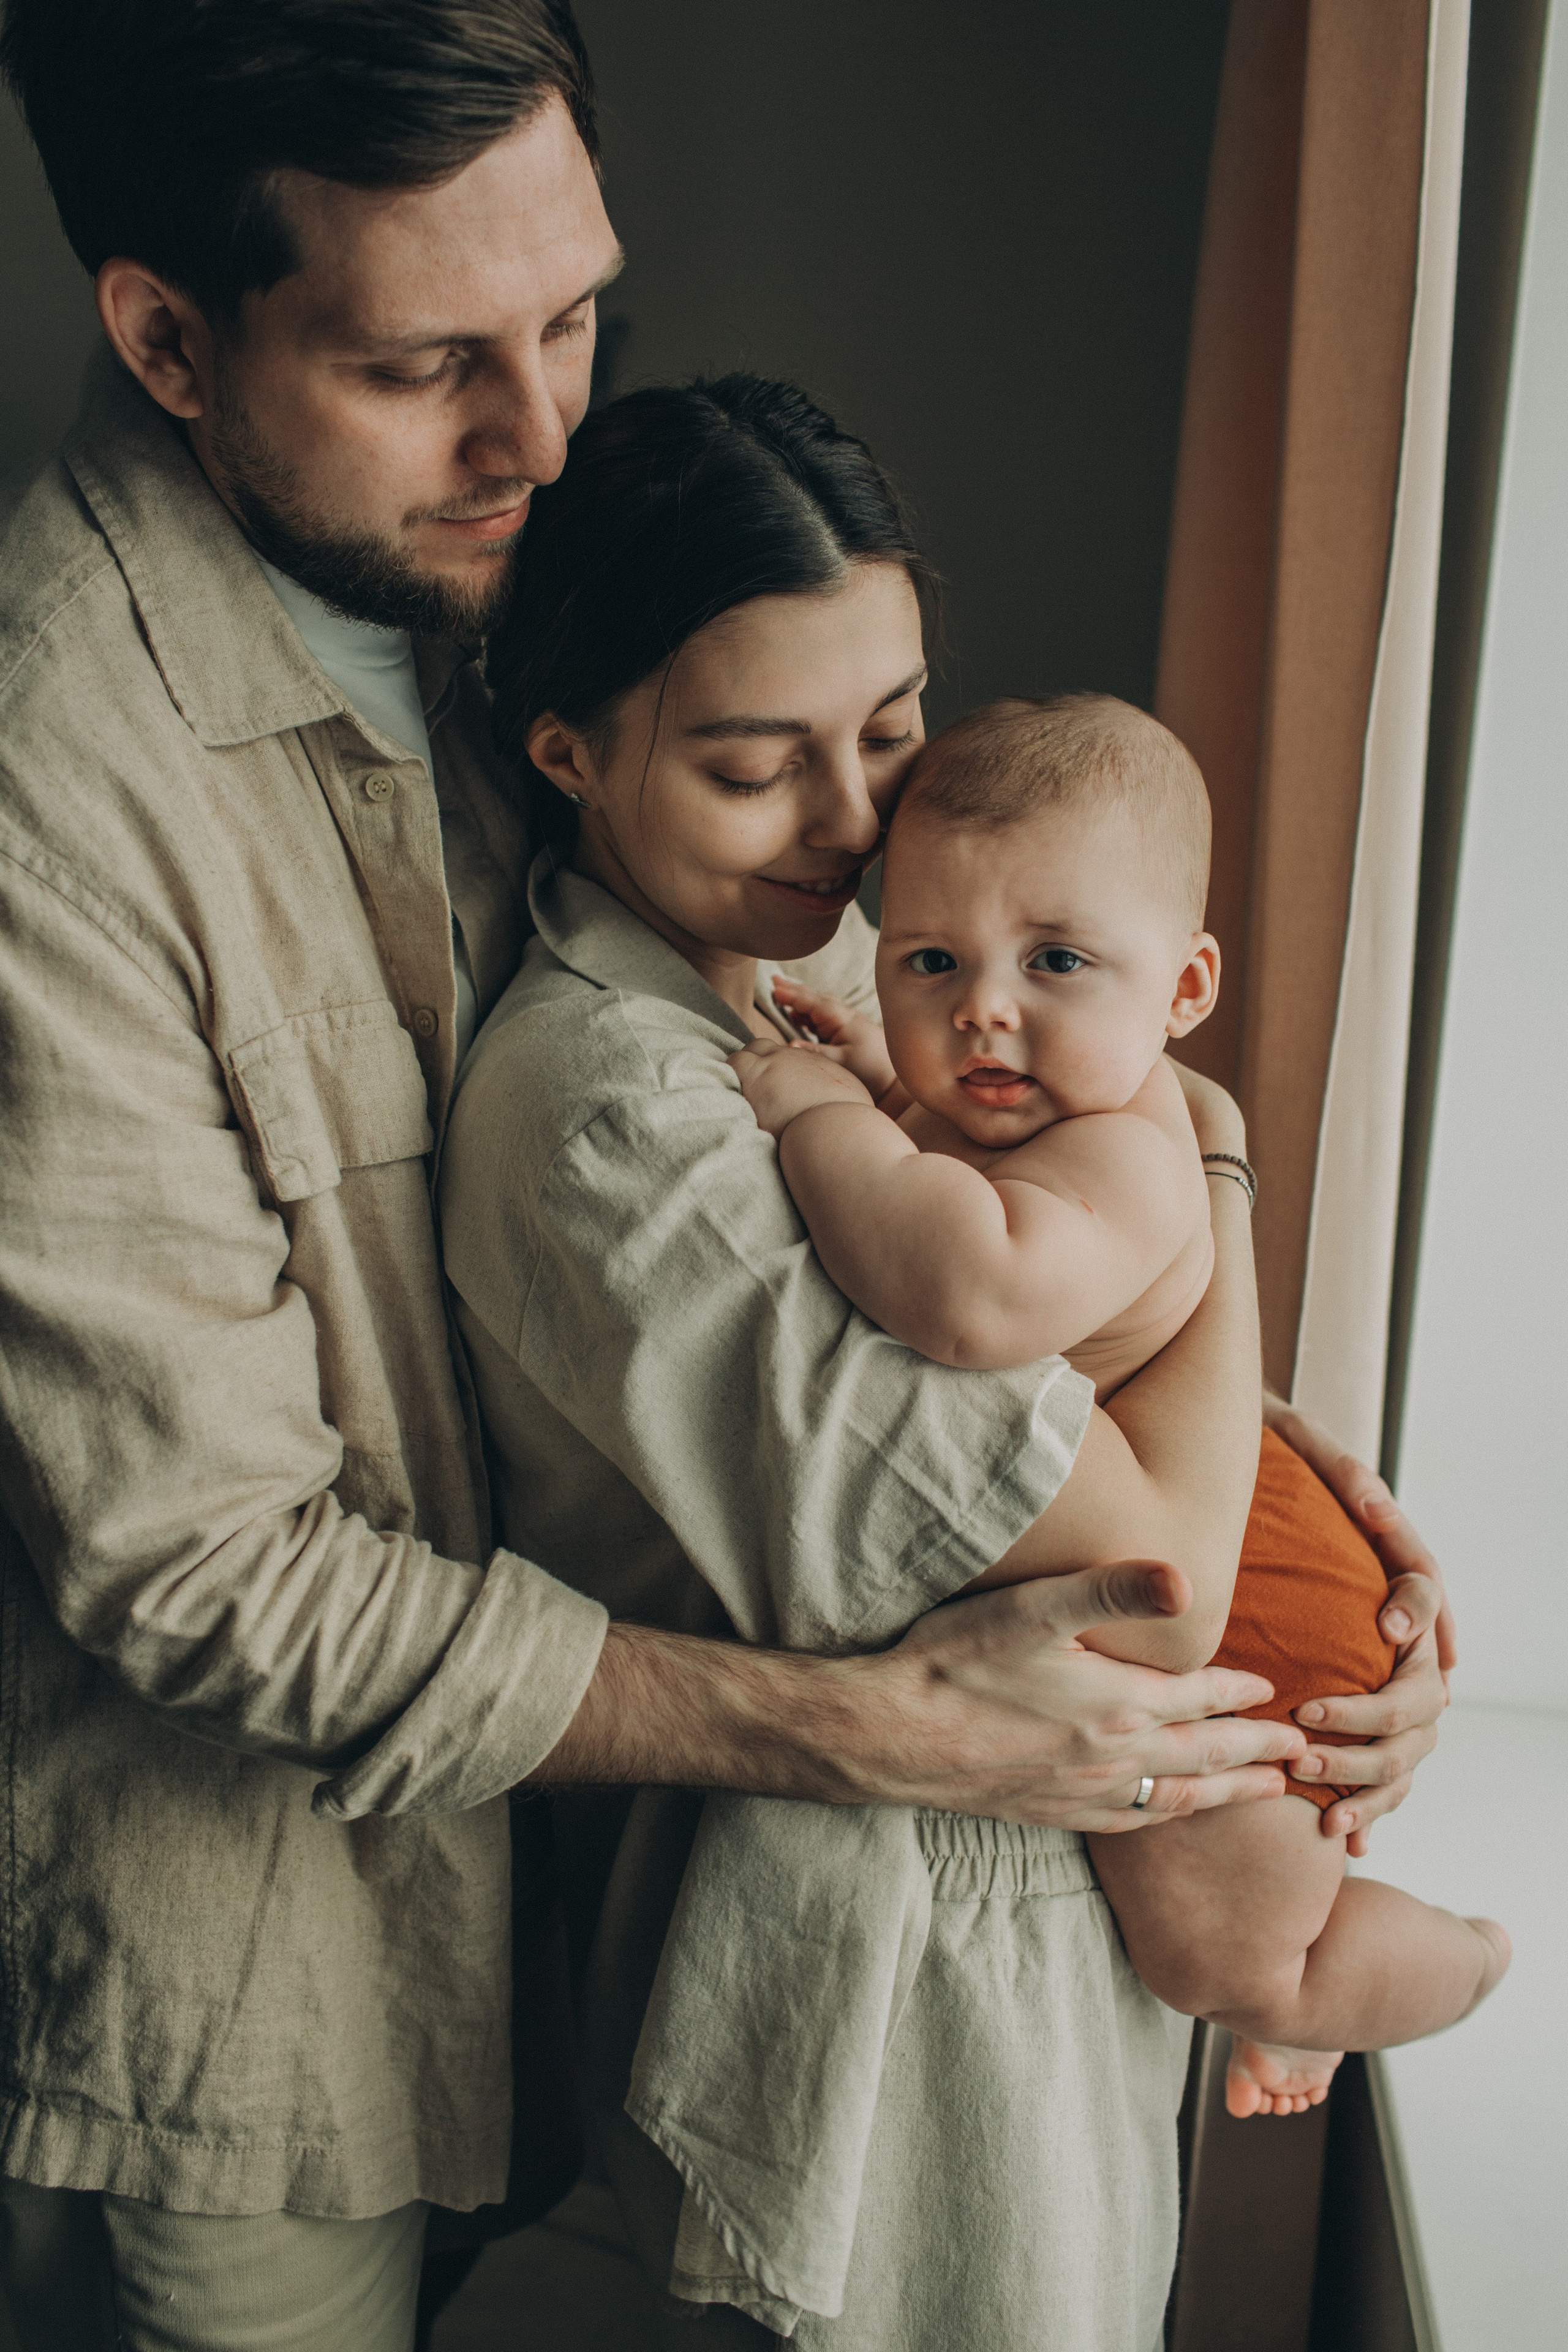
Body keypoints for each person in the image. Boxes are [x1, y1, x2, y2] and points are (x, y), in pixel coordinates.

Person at [0, 8, 1396, 2347]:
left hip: (575, 1930)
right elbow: (210, 1573)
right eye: (433, 358)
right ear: (166, 336)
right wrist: (903, 1714)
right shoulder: (62, 795)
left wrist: (1306, 1554)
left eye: (574, 322)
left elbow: (1011, 1312)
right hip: (266, 1980)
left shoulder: (575, 625)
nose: (541, 436)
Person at [440, 374, 1452, 2350]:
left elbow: (1131, 1375)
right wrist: (1212, 1162)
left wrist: (1331, 1580)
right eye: (758, 765)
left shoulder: (839, 975)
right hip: (888, 2014)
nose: (857, 826)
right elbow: (1158, 1586)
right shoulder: (620, 1116)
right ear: (570, 747)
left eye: (889, 732)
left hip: (1043, 1916)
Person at [734, 691, 1509, 2127]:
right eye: (929, 959)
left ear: (1183, 990)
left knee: (1216, 1959)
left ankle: (1444, 1962)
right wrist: (868, 1077)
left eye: (1057, 960)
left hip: (1260, 1607)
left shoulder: (1131, 1152)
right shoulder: (1004, 1102)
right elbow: (934, 1169)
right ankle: (1310, 1938)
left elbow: (966, 1290)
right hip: (1206, 1518)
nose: (982, 1006)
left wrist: (813, 1115)